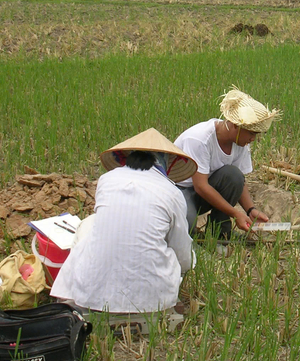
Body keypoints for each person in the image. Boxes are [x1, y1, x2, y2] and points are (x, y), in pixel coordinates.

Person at [50, 128, 198, 321]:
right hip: (152, 300)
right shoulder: (171, 192)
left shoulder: (107, 180)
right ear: (164, 161)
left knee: (89, 225)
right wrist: (187, 266)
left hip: (92, 295)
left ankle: (71, 296)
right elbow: (181, 251)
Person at [174, 87, 281, 239]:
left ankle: (220, 234)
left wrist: (250, 210)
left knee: (233, 176)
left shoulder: (240, 143)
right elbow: (201, 186)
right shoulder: (200, 140)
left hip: (200, 194)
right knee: (186, 222)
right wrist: (235, 214)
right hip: (178, 192)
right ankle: (192, 243)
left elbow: (238, 181)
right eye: (251, 133)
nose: (253, 139)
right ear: (235, 125)